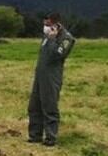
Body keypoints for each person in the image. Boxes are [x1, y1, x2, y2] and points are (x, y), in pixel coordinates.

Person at [27, 12, 75, 146]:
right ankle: (35, 135)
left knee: (49, 106)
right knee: (34, 106)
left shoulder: (66, 38)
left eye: (47, 24)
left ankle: (50, 137)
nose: (45, 27)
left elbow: (57, 55)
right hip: (40, 75)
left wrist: (53, 39)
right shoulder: (46, 36)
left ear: (55, 24)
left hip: (51, 76)